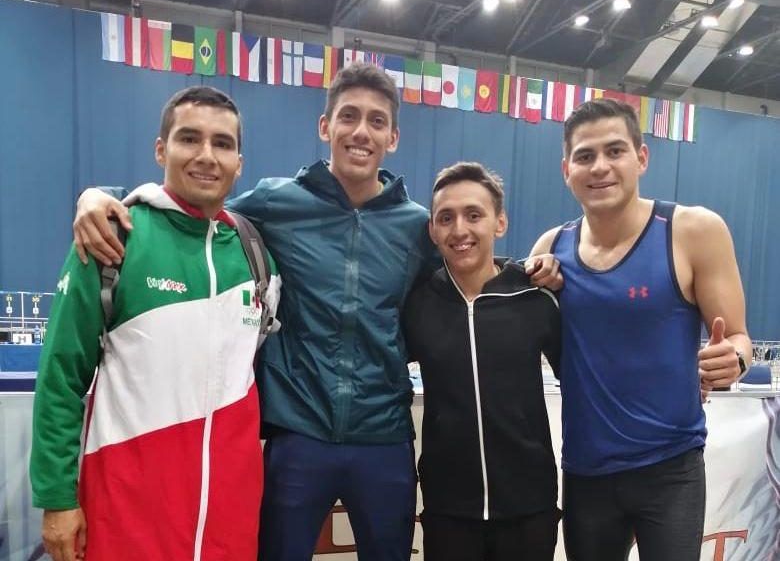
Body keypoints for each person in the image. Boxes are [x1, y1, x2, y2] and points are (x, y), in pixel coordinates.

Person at [71, 63, 561, 560]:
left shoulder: (417, 226)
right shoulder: (276, 202)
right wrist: (102, 198)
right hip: (299, 435)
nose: (361, 131)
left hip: (383, 437)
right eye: (349, 116)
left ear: (393, 137)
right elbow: (197, 207)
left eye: (376, 120)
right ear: (325, 126)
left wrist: (530, 269)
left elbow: (470, 262)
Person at [30, 86, 281, 561]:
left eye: (222, 143)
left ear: (239, 164)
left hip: (229, 521)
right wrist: (57, 498)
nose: (206, 155)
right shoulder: (111, 240)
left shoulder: (254, 255)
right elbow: (61, 376)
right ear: (161, 150)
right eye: (189, 139)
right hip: (127, 517)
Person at [529, 98, 752, 561]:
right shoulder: (551, 250)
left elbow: (738, 339)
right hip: (587, 473)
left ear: (642, 157)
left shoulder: (694, 231)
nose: (600, 167)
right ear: (566, 170)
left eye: (615, 151)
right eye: (585, 156)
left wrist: (734, 360)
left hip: (670, 469)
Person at [403, 162, 562, 561]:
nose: (460, 230)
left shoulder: (535, 296)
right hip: (448, 510)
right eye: (446, 218)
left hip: (530, 507)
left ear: (499, 223)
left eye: (474, 215)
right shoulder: (417, 304)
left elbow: (587, 378)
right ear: (432, 231)